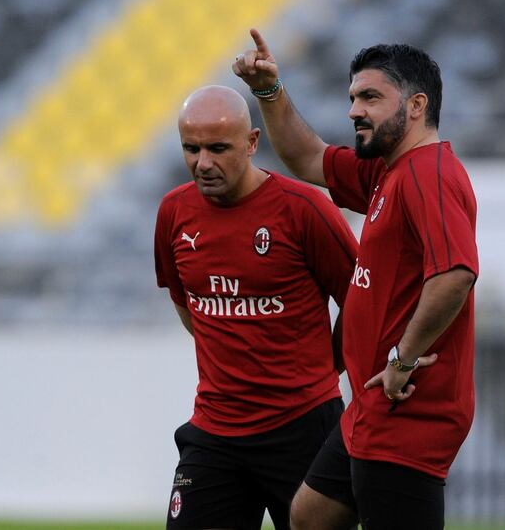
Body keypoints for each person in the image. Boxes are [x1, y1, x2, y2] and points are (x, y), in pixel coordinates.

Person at [233, 30, 479, 530]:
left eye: (370, 97)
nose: (353, 110)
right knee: (309, 515)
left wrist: (401, 361)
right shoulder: (388, 173)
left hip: (408, 408)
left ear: (416, 105)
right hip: (372, 406)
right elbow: (307, 157)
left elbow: (455, 274)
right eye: (351, 97)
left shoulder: (428, 173)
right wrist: (267, 91)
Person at [154, 85, 359, 530]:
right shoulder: (173, 212)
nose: (202, 163)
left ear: (251, 143)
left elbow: (363, 300)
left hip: (304, 427)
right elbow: (184, 298)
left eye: (217, 148)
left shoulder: (303, 210)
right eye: (191, 149)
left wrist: (328, 366)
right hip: (215, 430)